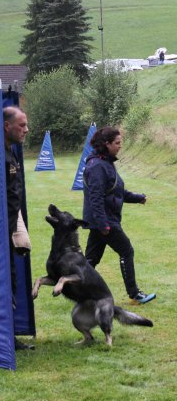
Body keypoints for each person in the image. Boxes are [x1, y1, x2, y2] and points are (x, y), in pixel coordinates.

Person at [82, 126, 156, 305]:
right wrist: (103, 225)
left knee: (90, 261)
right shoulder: (98, 166)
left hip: (101, 221)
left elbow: (116, 191)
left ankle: (74, 289)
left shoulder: (105, 163)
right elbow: (96, 198)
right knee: (126, 251)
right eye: (117, 143)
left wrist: (138, 198)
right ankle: (134, 294)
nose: (120, 146)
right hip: (105, 221)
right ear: (106, 144)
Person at [3, 106, 34, 350]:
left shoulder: (11, 152)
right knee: (4, 283)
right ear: (6, 126)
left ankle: (8, 336)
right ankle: (4, 338)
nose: (26, 130)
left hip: (8, 230)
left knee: (11, 282)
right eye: (22, 125)